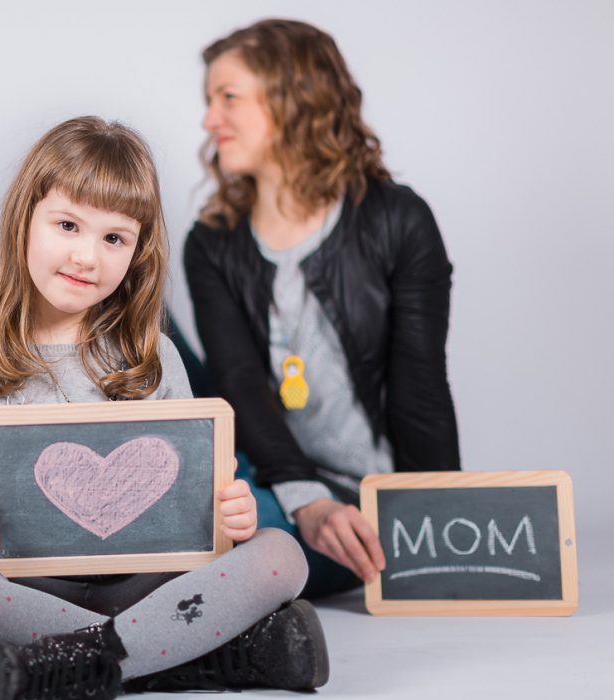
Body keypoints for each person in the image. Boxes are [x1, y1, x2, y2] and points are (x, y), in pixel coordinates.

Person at [0, 117, 329, 699]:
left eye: (113, 238)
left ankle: (52, 668)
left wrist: (229, 516)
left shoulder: (153, 356)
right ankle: (202, 657)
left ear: (137, 251)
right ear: (25, 218)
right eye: (68, 225)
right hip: (25, 588)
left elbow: (196, 496)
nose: (86, 256)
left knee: (281, 555)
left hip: (149, 583)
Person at [185, 18, 460, 600]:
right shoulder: (211, 241)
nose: (210, 120)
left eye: (227, 97)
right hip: (261, 473)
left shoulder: (398, 220)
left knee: (243, 538)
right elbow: (236, 382)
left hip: (357, 494)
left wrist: (437, 523)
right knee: (125, 293)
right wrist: (302, 498)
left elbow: (421, 388)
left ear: (293, 97)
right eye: (209, 100)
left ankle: (231, 570)